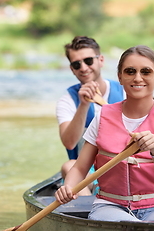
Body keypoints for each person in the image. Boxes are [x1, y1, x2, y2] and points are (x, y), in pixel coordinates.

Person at [54, 45, 154, 222]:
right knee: (131, 225)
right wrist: (68, 187)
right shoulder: (103, 117)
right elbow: (80, 167)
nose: (137, 78)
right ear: (120, 78)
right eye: (130, 72)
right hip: (109, 206)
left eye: (146, 72)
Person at [56, 36, 124, 195]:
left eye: (88, 61)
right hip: (87, 171)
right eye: (76, 64)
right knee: (68, 166)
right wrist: (84, 105)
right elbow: (70, 143)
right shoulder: (67, 101)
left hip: (123, 165)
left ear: (100, 60)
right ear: (72, 69)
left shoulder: (125, 91)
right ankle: (91, 211)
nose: (84, 68)